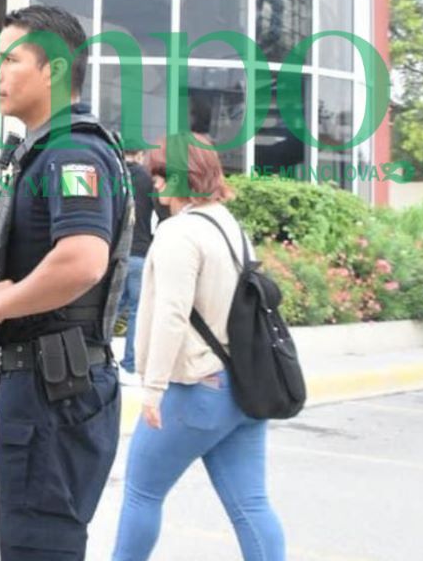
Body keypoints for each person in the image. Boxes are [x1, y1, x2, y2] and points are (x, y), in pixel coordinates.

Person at [0, 4, 131, 561]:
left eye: (11, 60)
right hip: (53, 384)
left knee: (40, 548)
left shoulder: (71, 151)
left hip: (51, 391)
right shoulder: (54, 148)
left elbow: (83, 259)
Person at [112, 135, 286, 561]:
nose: (154, 182)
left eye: (159, 173)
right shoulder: (230, 226)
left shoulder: (179, 233)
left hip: (195, 389)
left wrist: (153, 389)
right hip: (242, 386)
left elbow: (171, 314)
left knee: (141, 493)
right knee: (251, 506)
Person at [114, 149, 156, 380]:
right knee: (137, 311)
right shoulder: (149, 179)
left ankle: (95, 357)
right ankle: (130, 364)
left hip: (115, 254)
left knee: (110, 307)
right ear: (140, 154)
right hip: (140, 252)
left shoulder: (114, 174)